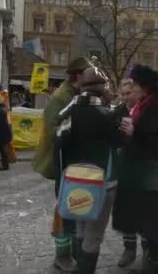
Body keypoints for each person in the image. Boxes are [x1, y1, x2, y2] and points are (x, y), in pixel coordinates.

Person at [112, 64, 158, 273]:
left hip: (154, 175)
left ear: (144, 86)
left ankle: (152, 267)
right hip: (145, 174)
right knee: (148, 223)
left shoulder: (157, 105)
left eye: (135, 84)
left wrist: (135, 132)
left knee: (153, 226)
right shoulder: (148, 103)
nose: (132, 88)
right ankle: (145, 260)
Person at [56, 67, 120, 273]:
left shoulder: (67, 112)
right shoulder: (108, 115)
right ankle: (84, 269)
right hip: (103, 182)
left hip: (73, 178)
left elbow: (59, 144)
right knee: (94, 233)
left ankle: (78, 262)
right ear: (102, 90)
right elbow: (118, 143)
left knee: (80, 225)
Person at [32, 57, 92, 273]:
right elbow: (53, 128)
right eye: (89, 73)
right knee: (64, 211)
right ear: (78, 75)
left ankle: (72, 251)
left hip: (74, 162)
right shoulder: (62, 97)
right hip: (62, 161)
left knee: (74, 207)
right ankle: (62, 256)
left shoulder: (75, 93)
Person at [113, 79, 144, 269]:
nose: (125, 97)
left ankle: (150, 251)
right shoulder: (117, 112)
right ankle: (129, 248)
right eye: (123, 94)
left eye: (128, 93)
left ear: (138, 93)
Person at [0, 82, 17, 163]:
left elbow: (4, 107)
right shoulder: (1, 95)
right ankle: (9, 159)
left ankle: (10, 159)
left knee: (7, 141)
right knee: (5, 141)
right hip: (3, 121)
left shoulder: (3, 95)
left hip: (5, 121)